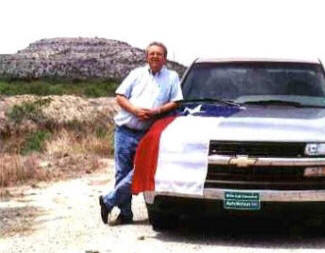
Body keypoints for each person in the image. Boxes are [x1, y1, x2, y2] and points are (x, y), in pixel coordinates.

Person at [99, 41, 183, 225]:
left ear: (165, 58)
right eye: (151, 54)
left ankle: (108, 200)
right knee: (122, 172)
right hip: (125, 130)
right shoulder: (136, 74)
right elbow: (120, 96)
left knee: (142, 170)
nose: (155, 57)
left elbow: (176, 101)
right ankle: (125, 214)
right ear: (146, 56)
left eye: (158, 54)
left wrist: (157, 111)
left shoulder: (172, 77)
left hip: (148, 133)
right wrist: (136, 111)